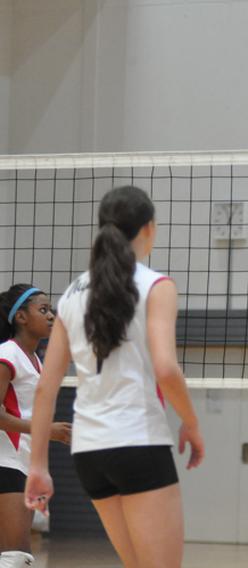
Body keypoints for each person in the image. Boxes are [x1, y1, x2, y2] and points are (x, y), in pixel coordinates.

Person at [25, 185, 205, 568]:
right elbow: (166, 369)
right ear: (149, 229)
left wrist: (38, 466)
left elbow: (46, 388)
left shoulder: (71, 295)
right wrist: (191, 422)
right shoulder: (157, 285)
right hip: (138, 442)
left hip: (90, 453)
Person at [0, 285, 71, 567]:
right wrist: (47, 430)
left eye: (51, 310)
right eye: (43, 310)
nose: (51, 315)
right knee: (17, 557)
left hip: (23, 463)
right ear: (21, 318)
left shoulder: (36, 361)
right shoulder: (8, 354)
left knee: (13, 555)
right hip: (6, 462)